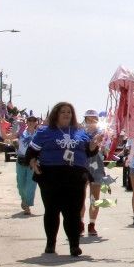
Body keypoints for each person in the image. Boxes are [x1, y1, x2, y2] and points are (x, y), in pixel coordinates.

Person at [27, 102, 103, 257]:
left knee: (73, 212)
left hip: (75, 177)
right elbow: (31, 152)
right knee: (52, 210)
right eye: (63, 112)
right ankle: (50, 244)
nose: (67, 114)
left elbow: (89, 152)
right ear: (56, 114)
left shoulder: (80, 132)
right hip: (50, 176)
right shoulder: (44, 132)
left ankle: (74, 245)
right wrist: (32, 162)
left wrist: (94, 145)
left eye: (69, 112)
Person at [82, 109, 111, 236]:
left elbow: (107, 150)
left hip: (97, 167)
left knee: (95, 198)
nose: (91, 121)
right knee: (80, 198)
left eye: (94, 118)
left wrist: (105, 143)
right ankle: (80, 223)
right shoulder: (80, 133)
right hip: (82, 166)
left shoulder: (103, 133)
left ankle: (92, 224)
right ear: (85, 119)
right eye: (88, 119)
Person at [13, 114, 40, 215]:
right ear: (27, 122)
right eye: (29, 121)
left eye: (34, 121)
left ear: (36, 122)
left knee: (31, 184)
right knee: (20, 185)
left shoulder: (39, 134)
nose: (32, 123)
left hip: (33, 162)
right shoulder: (21, 133)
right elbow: (9, 137)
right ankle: (24, 199)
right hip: (21, 160)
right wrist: (14, 141)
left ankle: (27, 205)